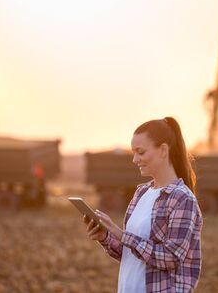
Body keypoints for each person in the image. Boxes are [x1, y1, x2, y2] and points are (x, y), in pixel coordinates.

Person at [84, 117, 203, 293]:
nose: (134, 159)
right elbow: (131, 254)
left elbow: (170, 257)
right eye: (134, 152)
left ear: (163, 150)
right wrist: (106, 238)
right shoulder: (141, 193)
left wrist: (122, 234)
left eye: (140, 152)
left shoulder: (182, 199)